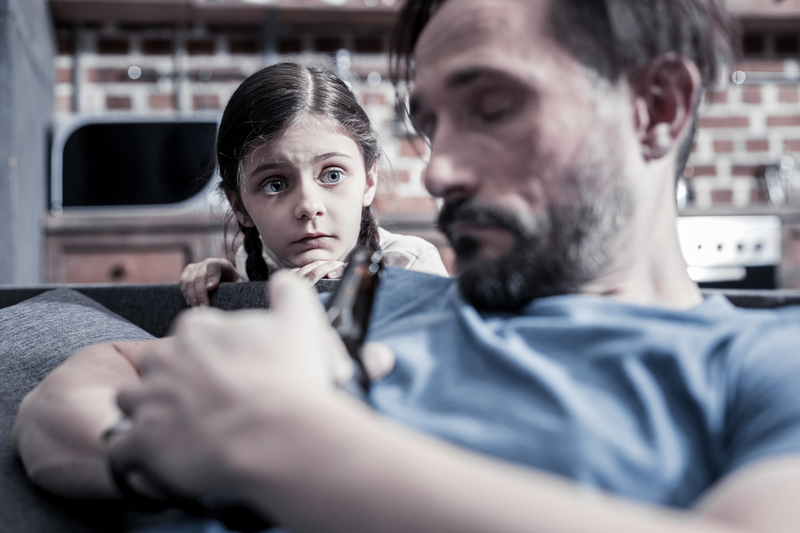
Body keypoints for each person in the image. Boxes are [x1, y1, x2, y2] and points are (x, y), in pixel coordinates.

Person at [12, 0, 800, 532]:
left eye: (494, 107)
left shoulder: (766, 362)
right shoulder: (382, 299)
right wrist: (150, 454)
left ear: (656, 107)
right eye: (432, 126)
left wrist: (286, 444)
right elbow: (76, 387)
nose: (438, 170)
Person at [179, 61, 448, 306]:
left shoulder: (410, 265)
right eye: (275, 185)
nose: (309, 207)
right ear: (239, 206)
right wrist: (229, 294)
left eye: (332, 175)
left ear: (369, 181)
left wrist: (366, 295)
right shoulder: (250, 265)